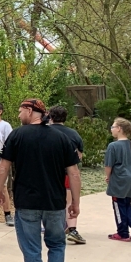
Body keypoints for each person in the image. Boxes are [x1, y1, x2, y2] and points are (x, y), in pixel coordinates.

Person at [0, 98, 81, 262]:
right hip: (54, 203)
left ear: (29, 110)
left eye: (20, 110)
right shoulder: (61, 138)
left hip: (27, 202)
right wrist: (75, 204)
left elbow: (3, 167)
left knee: (32, 249)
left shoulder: (17, 135)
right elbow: (74, 173)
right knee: (57, 245)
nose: (17, 115)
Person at [48, 105, 86, 244]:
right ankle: (72, 229)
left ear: (50, 117)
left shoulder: (46, 132)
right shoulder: (74, 134)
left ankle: (53, 227)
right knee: (69, 202)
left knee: (52, 201)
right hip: (68, 173)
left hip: (49, 174)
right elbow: (79, 156)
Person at [105, 117, 131, 241]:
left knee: (118, 204)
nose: (111, 129)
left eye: (113, 127)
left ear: (119, 129)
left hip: (120, 178)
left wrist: (108, 177)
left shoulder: (113, 146)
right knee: (127, 203)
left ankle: (123, 232)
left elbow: (108, 165)